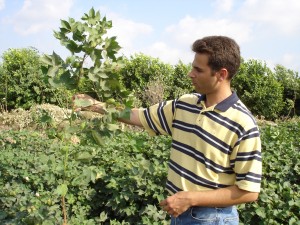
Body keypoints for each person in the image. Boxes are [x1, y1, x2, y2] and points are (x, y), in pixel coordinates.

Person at [73, 35, 262, 225]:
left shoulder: (243, 123)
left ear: (221, 74)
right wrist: (94, 105)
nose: (190, 74)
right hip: (179, 213)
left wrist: (191, 198)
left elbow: (249, 191)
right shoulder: (185, 104)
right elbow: (138, 115)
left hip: (213, 219)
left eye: (198, 69)